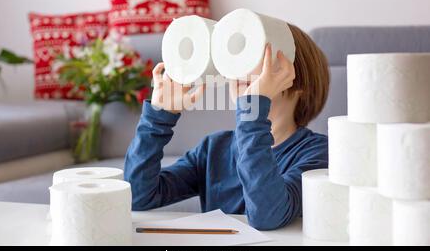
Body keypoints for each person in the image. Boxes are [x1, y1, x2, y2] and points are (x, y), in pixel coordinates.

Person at [124, 24, 330, 230]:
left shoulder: (318, 153)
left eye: (257, 55)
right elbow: (138, 197)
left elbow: (266, 216)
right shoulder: (214, 148)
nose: (242, 68)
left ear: (297, 79)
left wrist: (254, 106)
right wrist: (158, 118)